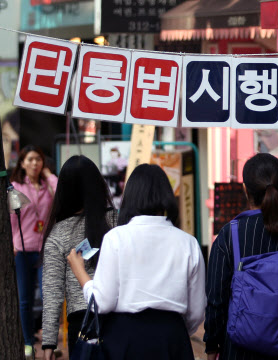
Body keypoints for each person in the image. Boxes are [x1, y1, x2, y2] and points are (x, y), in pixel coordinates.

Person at [67, 164, 206, 360]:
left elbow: (103, 303)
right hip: (172, 338)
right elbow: (197, 311)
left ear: (130, 196)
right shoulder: (188, 243)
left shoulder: (116, 238)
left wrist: (81, 273)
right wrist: (173, 328)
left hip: (124, 338)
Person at [204, 153, 278, 360]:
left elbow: (216, 298)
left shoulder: (229, 234)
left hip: (236, 351)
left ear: (245, 190)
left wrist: (212, 345)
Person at [41, 155, 117, 360]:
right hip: (119, 319)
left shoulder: (57, 235)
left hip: (81, 325)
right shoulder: (118, 222)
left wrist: (48, 344)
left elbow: (52, 294)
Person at [10, 145, 58, 358]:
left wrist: (50, 174)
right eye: (30, 159)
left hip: (45, 250)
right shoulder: (16, 186)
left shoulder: (48, 185)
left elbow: (61, 194)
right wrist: (11, 243)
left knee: (49, 297)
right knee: (24, 299)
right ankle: (28, 343)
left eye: (38, 159)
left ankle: (49, 343)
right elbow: (11, 218)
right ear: (22, 163)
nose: (34, 163)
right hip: (21, 249)